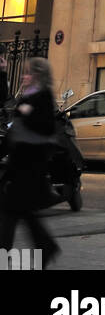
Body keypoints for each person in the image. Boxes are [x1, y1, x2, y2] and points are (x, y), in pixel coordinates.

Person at [0, 57, 60, 266]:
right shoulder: (27, 97)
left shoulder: (43, 97)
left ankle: (5, 253)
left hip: (30, 167)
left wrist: (28, 113)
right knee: (21, 213)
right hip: (20, 165)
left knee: (10, 212)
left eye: (27, 73)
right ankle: (46, 247)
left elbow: (46, 128)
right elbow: (14, 130)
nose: (24, 77)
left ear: (37, 76)